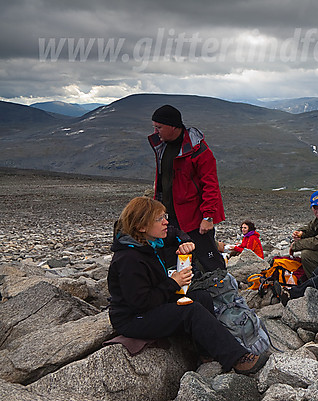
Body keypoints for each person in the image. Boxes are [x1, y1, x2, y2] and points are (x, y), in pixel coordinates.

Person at [107, 196, 263, 374]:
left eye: (165, 216)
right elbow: (141, 302)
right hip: (133, 319)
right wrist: (173, 282)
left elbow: (175, 232)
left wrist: (185, 242)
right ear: (141, 226)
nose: (166, 222)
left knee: (202, 296)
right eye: (160, 219)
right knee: (191, 311)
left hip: (150, 305)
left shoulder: (150, 241)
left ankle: (206, 353)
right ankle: (237, 358)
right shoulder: (129, 259)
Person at [149, 104, 226, 273]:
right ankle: (182, 292)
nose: (156, 132)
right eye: (155, 127)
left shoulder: (199, 150)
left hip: (195, 218)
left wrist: (208, 216)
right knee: (171, 257)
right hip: (171, 215)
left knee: (208, 258)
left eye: (159, 127)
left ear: (173, 126)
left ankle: (223, 289)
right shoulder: (163, 145)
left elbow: (211, 185)